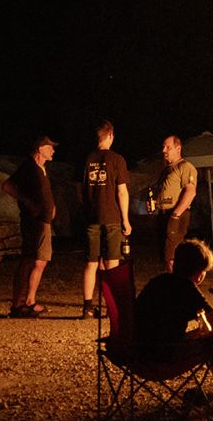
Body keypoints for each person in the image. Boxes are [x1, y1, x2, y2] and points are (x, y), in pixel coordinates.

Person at [134, 238, 213, 414]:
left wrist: (191, 335)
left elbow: (156, 324)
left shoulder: (157, 281)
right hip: (162, 356)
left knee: (204, 336)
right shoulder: (188, 289)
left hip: (135, 351)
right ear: (200, 273)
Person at [79, 120, 132, 318]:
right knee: (112, 263)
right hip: (111, 217)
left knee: (91, 263)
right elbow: (122, 192)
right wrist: (125, 220)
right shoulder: (118, 160)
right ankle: (112, 307)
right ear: (110, 136)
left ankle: (87, 307)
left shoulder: (87, 159)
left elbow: (81, 189)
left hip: (92, 218)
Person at [1, 135, 58, 318]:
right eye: (50, 147)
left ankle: (28, 301)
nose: (53, 150)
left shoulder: (41, 169)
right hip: (33, 221)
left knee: (40, 260)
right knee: (29, 259)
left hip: (43, 220)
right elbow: (8, 186)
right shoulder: (28, 167)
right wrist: (28, 202)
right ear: (40, 149)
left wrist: (52, 207)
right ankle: (20, 304)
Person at [153, 135, 197, 273]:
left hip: (176, 215)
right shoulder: (166, 170)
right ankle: (172, 284)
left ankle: (177, 285)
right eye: (163, 147)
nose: (164, 150)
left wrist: (176, 214)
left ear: (178, 148)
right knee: (165, 254)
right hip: (163, 214)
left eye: (168, 147)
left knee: (171, 255)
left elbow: (190, 192)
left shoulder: (185, 166)